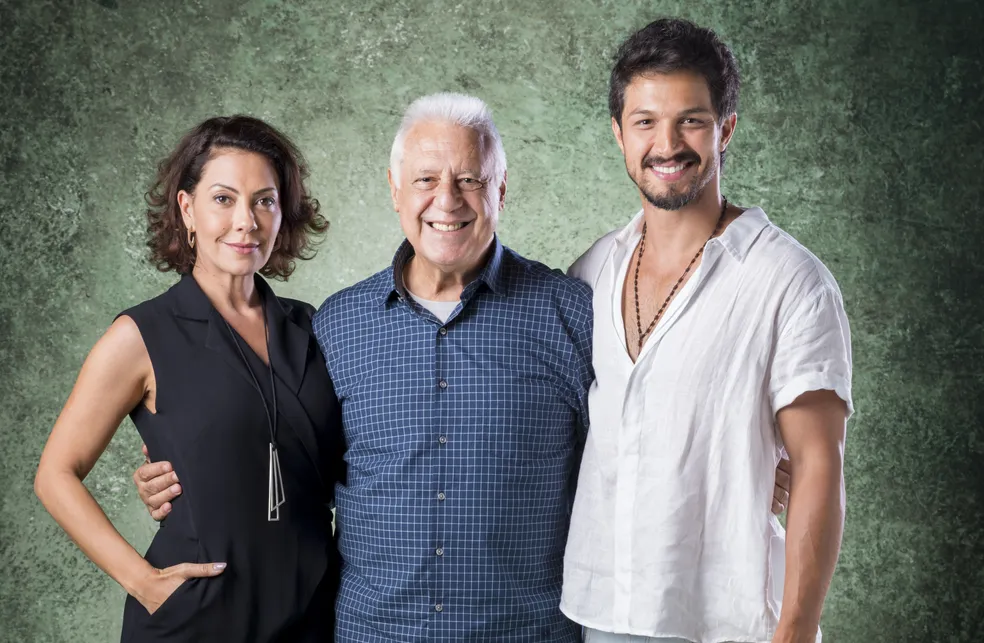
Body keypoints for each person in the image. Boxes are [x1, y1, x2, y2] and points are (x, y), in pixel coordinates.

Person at [133, 94, 792, 642]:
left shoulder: (572, 312)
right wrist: (184, 469)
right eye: (425, 179)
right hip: (373, 633)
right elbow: (289, 456)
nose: (446, 200)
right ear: (395, 190)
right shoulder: (335, 327)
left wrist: (753, 463)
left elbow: (648, 433)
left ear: (500, 189)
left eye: (470, 179)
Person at [560, 19, 853, 643]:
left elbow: (818, 463)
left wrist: (797, 631)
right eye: (645, 121)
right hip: (603, 613)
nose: (666, 144)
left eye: (690, 120)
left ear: (726, 128)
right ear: (618, 134)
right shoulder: (592, 272)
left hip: (729, 621)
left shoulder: (790, 281)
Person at [34, 115, 345, 642]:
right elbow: (55, 474)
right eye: (223, 198)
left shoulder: (313, 326)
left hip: (312, 614)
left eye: (264, 201)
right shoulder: (140, 335)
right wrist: (144, 583)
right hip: (198, 618)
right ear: (187, 209)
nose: (246, 221)